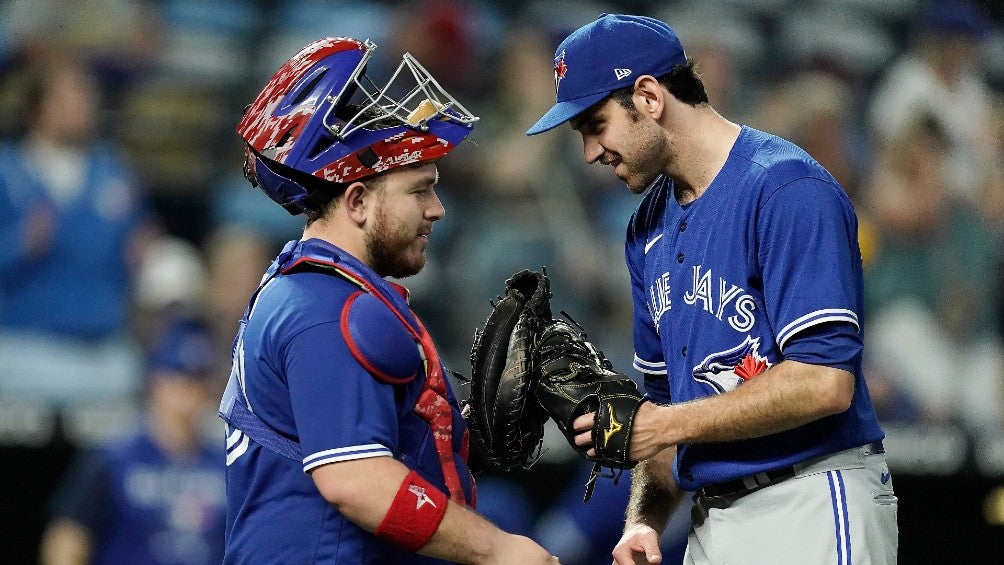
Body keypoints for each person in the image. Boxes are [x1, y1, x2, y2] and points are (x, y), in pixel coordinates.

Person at [526, 14, 897, 564]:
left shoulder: (785, 188)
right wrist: (643, 521)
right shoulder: (646, 227)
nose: (589, 152)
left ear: (649, 97)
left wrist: (662, 424)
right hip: (713, 520)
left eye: (594, 125)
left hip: (813, 500)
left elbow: (824, 382)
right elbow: (662, 409)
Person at [218, 36, 558, 564]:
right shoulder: (327, 310)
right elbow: (356, 480)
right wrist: (497, 550)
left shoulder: (311, 288)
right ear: (356, 201)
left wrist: (457, 422)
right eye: (419, 190)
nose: (437, 209)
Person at [39, 316, 227, 565]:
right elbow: (66, 541)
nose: (189, 395)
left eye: (197, 381)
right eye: (178, 380)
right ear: (154, 382)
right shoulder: (112, 458)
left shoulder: (227, 463)